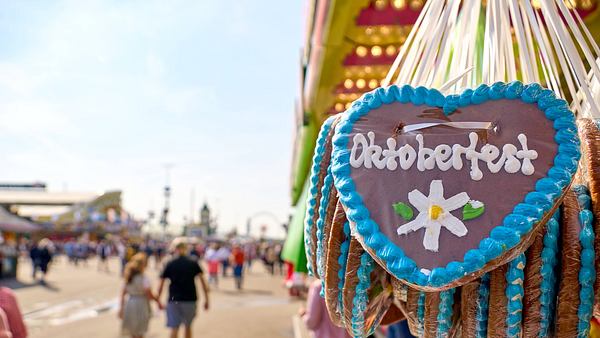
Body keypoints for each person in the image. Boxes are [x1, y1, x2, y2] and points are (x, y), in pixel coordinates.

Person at [158, 239, 209, 338]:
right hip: (190, 299)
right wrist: (207, 299)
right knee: (188, 327)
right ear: (186, 248)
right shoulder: (193, 262)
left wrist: (158, 300)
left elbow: (161, 283)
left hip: (173, 300)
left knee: (174, 328)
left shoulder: (170, 262)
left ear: (174, 249)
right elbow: (203, 282)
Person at [119, 253, 162, 338]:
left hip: (130, 303)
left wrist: (121, 309)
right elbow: (149, 295)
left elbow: (122, 294)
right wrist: (158, 301)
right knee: (140, 331)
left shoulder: (128, 277)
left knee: (133, 331)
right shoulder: (144, 278)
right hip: (141, 304)